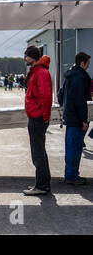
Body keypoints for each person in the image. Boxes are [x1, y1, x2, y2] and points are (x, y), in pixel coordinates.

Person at [22, 46, 53, 196]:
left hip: (38, 118)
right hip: (37, 117)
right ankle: (43, 183)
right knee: (39, 152)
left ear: (32, 57)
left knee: (38, 152)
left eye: (26, 56)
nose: (24, 58)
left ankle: (42, 185)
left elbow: (46, 97)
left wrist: (44, 117)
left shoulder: (41, 73)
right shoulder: (37, 72)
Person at [58, 52, 91, 185]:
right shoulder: (79, 78)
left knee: (71, 147)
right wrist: (84, 119)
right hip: (76, 119)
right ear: (82, 63)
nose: (88, 67)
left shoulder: (70, 76)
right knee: (75, 148)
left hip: (70, 117)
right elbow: (80, 101)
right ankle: (72, 176)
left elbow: (60, 95)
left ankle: (70, 174)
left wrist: (66, 108)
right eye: (88, 64)